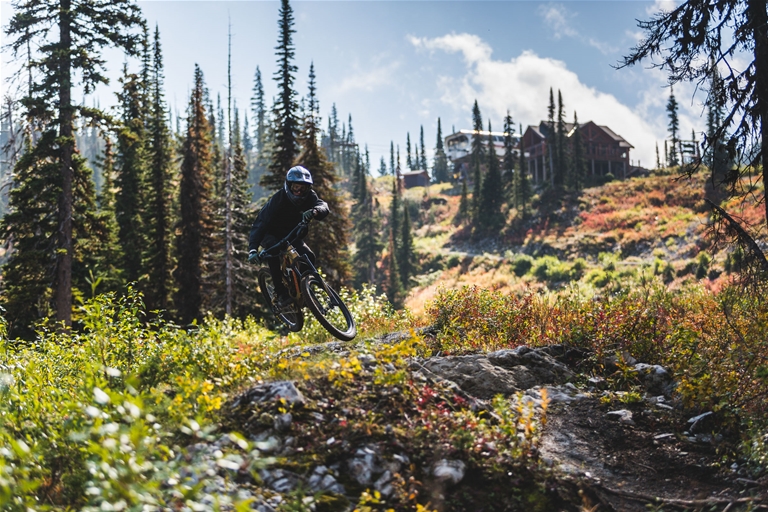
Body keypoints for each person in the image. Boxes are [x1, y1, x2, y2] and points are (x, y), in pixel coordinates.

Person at [248, 165, 329, 309]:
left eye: (303, 188)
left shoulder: (310, 196)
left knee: (309, 256)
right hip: (270, 234)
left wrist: (316, 211)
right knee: (272, 253)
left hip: (291, 235)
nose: (299, 191)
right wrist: (253, 249)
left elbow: (323, 205)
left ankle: (303, 289)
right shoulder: (278, 200)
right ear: (288, 185)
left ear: (308, 188)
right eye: (296, 187)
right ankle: (280, 293)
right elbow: (259, 224)